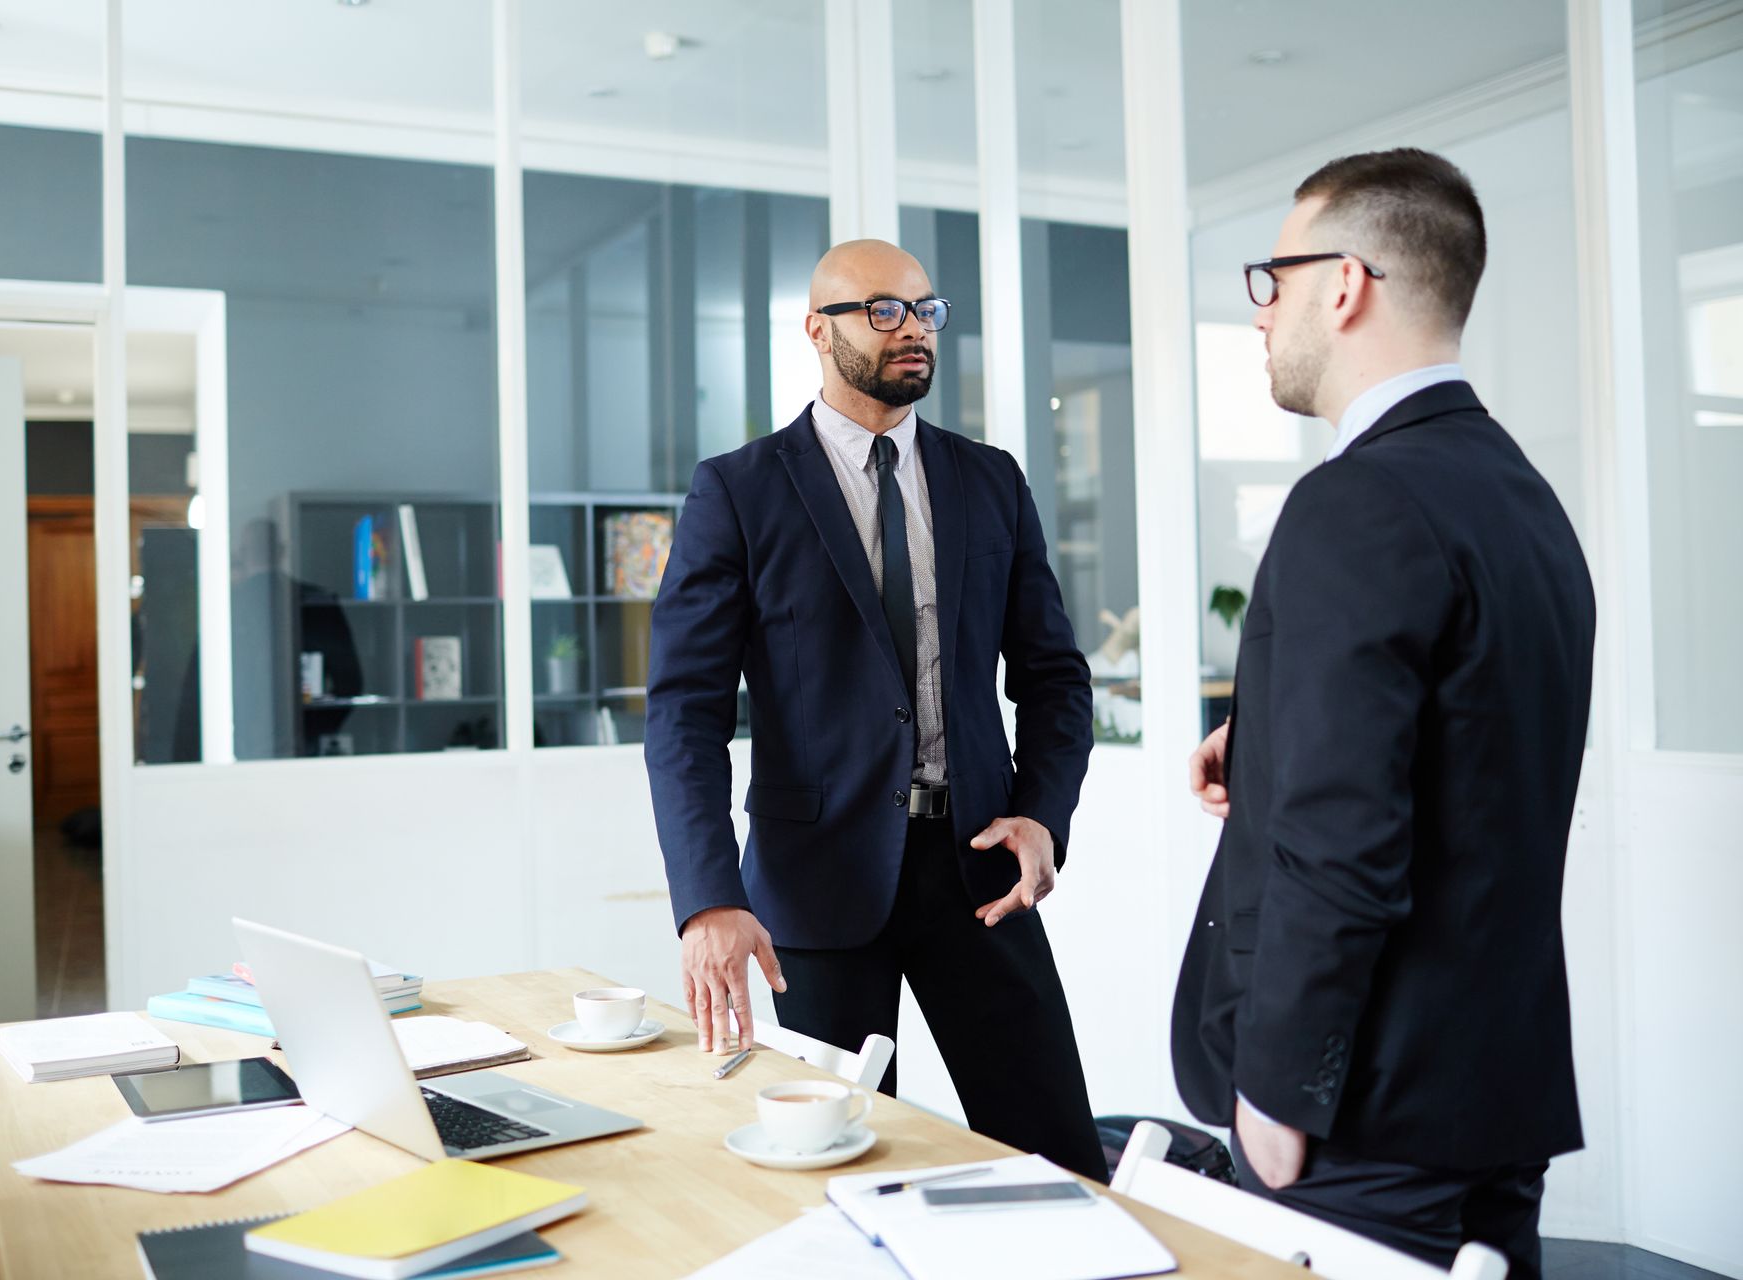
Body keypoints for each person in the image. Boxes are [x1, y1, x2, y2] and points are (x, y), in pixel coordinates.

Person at [1171, 148, 1595, 1275]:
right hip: (1492, 1093)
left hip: (1357, 1113)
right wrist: (1266, 757)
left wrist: (1275, 1092)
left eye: (1274, 281)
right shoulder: (1522, 496)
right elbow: (1473, 759)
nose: (1261, 317)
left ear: (1345, 284)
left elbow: (1343, 842)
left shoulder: (1353, 501)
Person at [645, 239, 1106, 1179]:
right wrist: (708, 898)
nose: (913, 331)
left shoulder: (991, 481)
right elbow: (685, 712)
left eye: (926, 311)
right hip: (815, 892)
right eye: (883, 311)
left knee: (1055, 1154)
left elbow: (1055, 676)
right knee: (840, 1172)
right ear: (817, 330)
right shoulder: (738, 491)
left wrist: (1044, 812)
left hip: (980, 871)